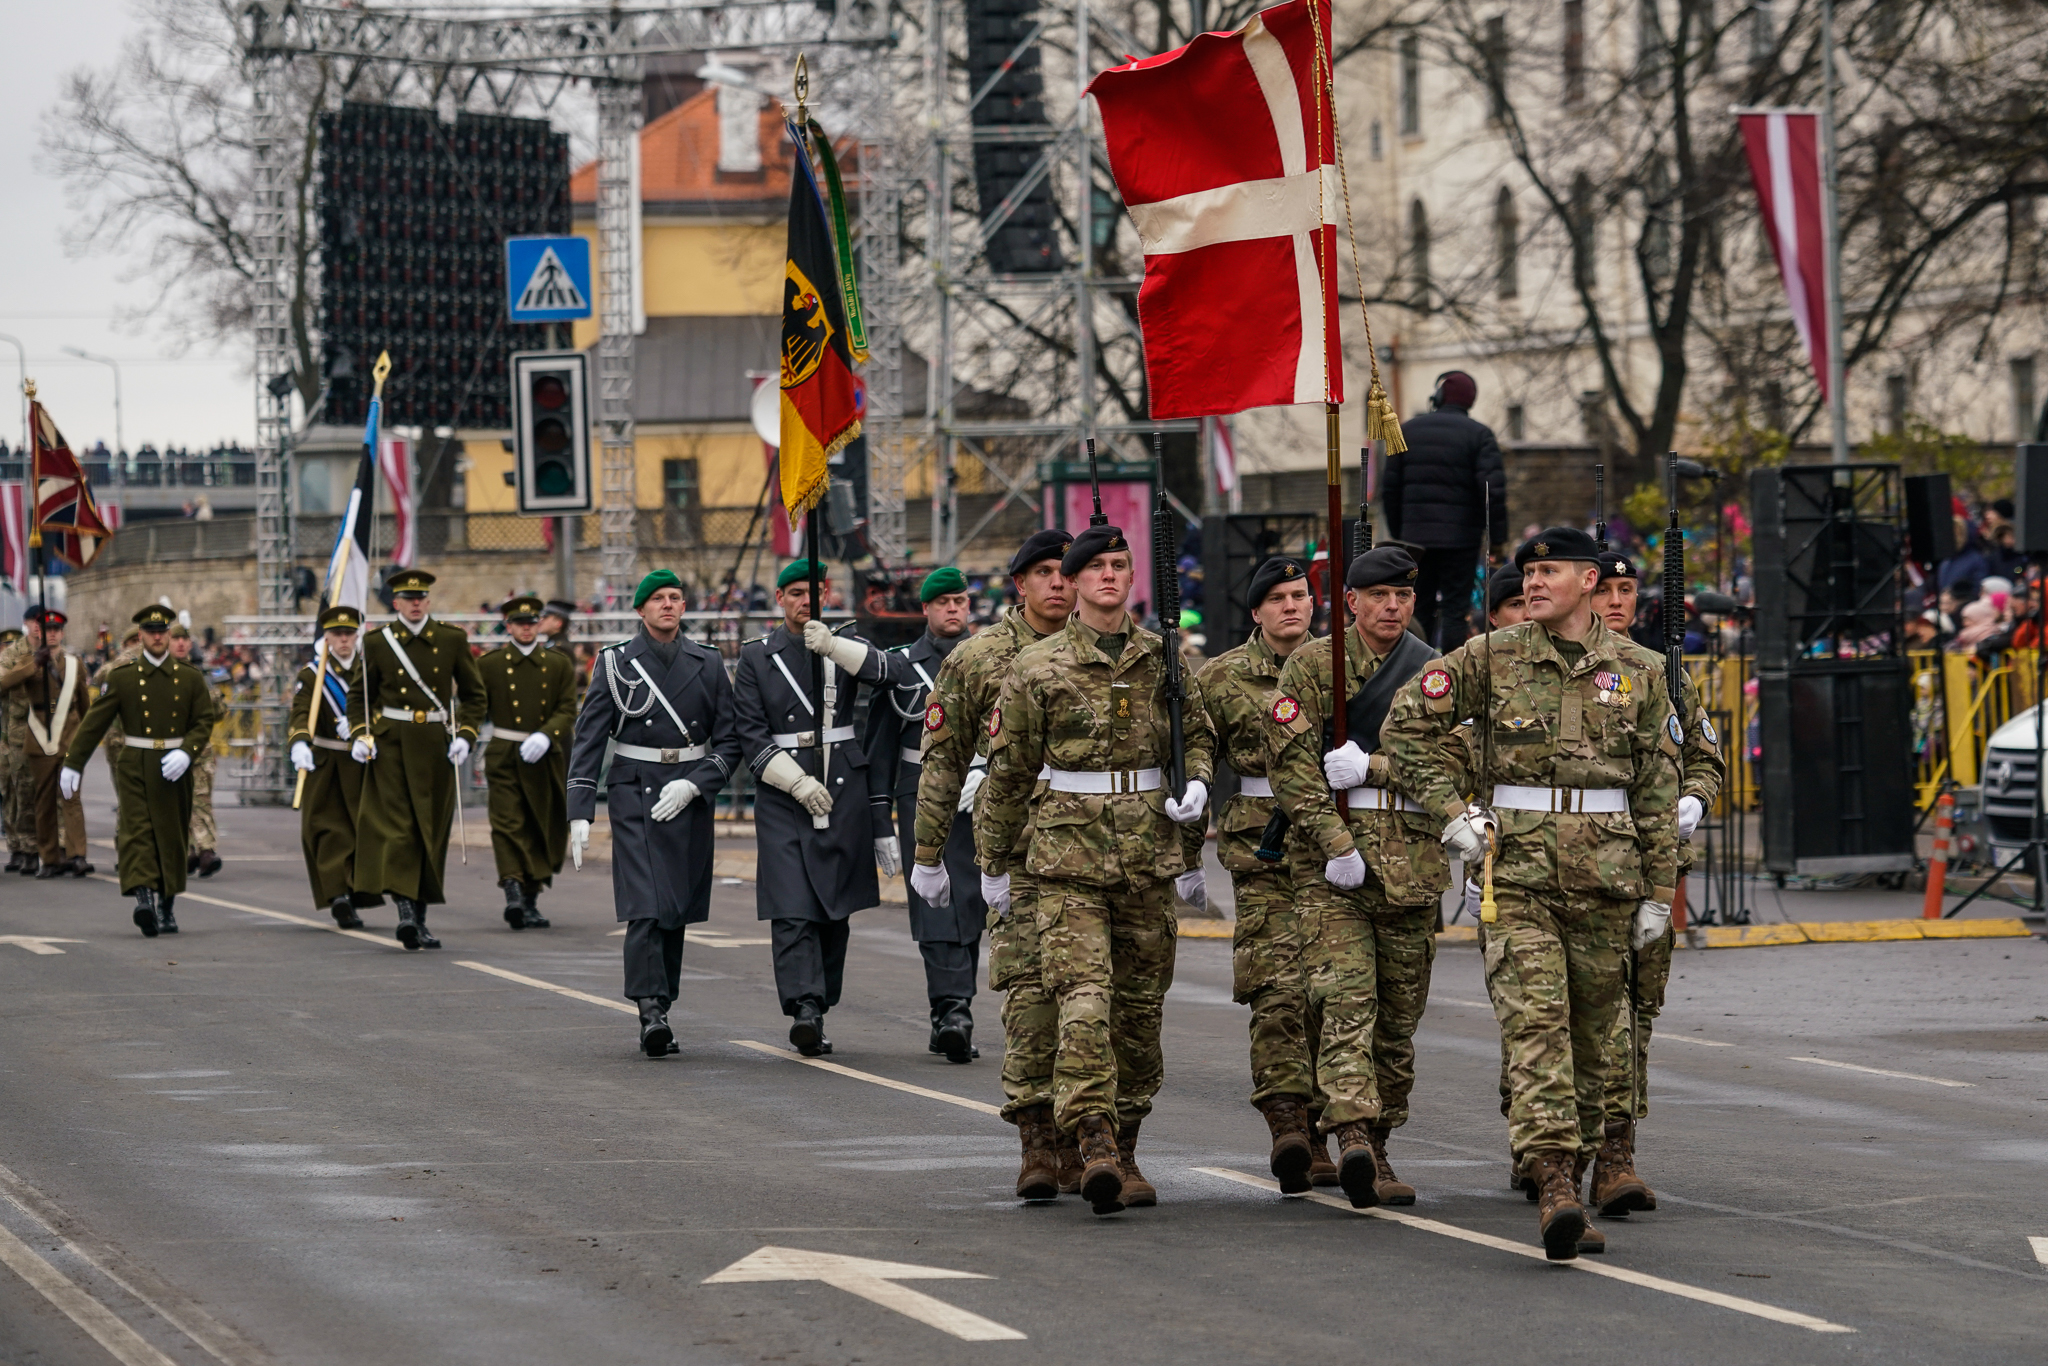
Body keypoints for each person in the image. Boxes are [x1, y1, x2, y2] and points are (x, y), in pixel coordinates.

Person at [1383, 526, 1679, 1261]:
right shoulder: (1490, 656)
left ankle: (1572, 1166)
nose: (1535, 582)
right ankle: (1553, 1184)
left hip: (1607, 881)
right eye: (1529, 572)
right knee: (1537, 1026)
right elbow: (1406, 728)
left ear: (1588, 580)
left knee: (1593, 1043)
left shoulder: (1641, 670)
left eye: (1550, 571)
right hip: (1516, 878)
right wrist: (1455, 815)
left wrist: (1659, 889)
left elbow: (1657, 783)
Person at [977, 524, 1217, 1215]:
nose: (1109, 575)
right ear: (1074, 582)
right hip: (1065, 864)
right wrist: (994, 860)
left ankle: (1129, 1144)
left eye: (1120, 564)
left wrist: (1197, 783)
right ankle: (1094, 1139)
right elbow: (1010, 770)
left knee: (1139, 1017)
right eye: (1096, 567)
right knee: (1083, 1004)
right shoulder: (1038, 666)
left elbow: (1195, 737)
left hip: (1147, 859)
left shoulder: (1164, 659)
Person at [1265, 546, 1449, 1209]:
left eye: (1403, 596)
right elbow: (1289, 767)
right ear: (1350, 601)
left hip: (1412, 866)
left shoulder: (1433, 672)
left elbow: (1455, 762)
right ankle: (1352, 1141)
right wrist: (1336, 841)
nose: (1392, 607)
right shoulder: (1315, 667)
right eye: (1378, 596)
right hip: (1332, 871)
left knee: (1397, 1025)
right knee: (1346, 1007)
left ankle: (1381, 1135)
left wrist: (1375, 768)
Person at [910, 529, 1080, 1201]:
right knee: (1032, 1003)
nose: (1059, 583)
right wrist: (927, 853)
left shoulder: (1117, 650)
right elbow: (943, 760)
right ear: (1020, 584)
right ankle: (1038, 1141)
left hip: (1100, 855)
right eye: (1044, 572)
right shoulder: (977, 659)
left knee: (1098, 1008)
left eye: (1068, 571)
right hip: (1016, 855)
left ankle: (1091, 1138)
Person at [1191, 555, 1342, 1190]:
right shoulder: (1224, 677)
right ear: (1256, 611)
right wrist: (1195, 795)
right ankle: (1288, 1122)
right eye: (1278, 597)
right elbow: (1198, 744)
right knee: (1276, 988)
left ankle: (1325, 1124)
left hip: (1335, 846)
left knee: (1331, 994)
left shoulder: (1342, 665)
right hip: (1264, 848)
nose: (1292, 606)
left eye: (1300, 595)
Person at [1584, 552, 1724, 1219]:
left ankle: (1617, 1158)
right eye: (1605, 588)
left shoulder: (1664, 672)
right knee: (1581, 1016)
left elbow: (1704, 753)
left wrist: (1696, 796)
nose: (1617, 600)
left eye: (1627, 589)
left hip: (1653, 865)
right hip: (1582, 865)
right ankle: (1555, 1147)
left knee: (1635, 1016)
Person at [567, 570, 741, 1058]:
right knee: (645, 902)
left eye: (675, 598)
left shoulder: (706, 663)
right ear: (640, 610)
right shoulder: (616, 662)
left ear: (684, 607)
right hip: (634, 792)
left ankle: (662, 999)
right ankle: (650, 1010)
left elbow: (729, 741)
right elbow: (590, 737)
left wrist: (696, 783)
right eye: (658, 599)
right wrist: (580, 809)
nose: (668, 605)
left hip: (687, 791)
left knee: (675, 908)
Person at [733, 558, 892, 1056]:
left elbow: (891, 673)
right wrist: (796, 781)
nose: (806, 601)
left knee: (833, 907)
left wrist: (836, 646)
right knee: (792, 906)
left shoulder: (842, 641)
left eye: (815, 592)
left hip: (842, 785)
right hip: (784, 792)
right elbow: (750, 734)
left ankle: (821, 1001)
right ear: (780, 599)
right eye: (796, 593)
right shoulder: (757, 656)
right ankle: (804, 1006)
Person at [865, 566, 985, 1063]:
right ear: (927, 610)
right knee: (936, 904)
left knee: (974, 903)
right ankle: (952, 1010)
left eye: (960, 601)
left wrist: (990, 770)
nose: (954, 609)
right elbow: (880, 750)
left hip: (981, 795)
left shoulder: (992, 658)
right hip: (921, 792)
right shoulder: (902, 665)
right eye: (944, 603)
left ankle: (954, 1009)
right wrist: (880, 822)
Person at [345, 568, 487, 950]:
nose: (415, 603)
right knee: (400, 829)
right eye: (408, 598)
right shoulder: (376, 643)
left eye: (421, 597)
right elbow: (359, 696)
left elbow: (475, 696)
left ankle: (420, 918)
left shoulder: (451, 639)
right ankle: (405, 912)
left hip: (436, 748)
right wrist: (360, 733)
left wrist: (467, 736)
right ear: (395, 602)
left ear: (428, 600)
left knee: (431, 831)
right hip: (391, 745)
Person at [60, 605, 216, 935]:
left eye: (162, 632)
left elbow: (204, 720)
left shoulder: (189, 678)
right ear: (141, 636)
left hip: (175, 765)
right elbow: (94, 722)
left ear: (169, 635)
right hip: (135, 763)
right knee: (137, 832)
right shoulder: (123, 677)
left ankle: (168, 905)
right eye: (151, 631)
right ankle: (144, 898)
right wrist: (74, 762)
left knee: (172, 836)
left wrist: (187, 752)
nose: (157, 637)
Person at [1383, 370, 1506, 650]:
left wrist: (1400, 534)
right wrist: (1497, 539)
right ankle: (1450, 678)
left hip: (1414, 541)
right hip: (1460, 541)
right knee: (1454, 610)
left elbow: (1389, 491)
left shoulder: (1406, 430)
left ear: (1438, 396)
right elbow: (1493, 493)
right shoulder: (1480, 435)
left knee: (1416, 607)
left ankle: (1414, 674)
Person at [477, 594, 579, 930]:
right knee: (507, 824)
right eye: (519, 623)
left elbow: (567, 708)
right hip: (505, 751)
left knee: (542, 825)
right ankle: (513, 889)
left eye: (531, 622)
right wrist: (461, 735)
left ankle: (532, 896)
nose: (526, 628)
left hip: (544, 754)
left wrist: (547, 734)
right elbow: (475, 705)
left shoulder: (557, 663)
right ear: (507, 626)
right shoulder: (490, 665)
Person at [287, 604, 379, 928]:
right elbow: (300, 712)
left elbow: (380, 708)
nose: (343, 640)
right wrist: (299, 742)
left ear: (357, 635)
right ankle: (338, 895)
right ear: (325, 638)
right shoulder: (312, 674)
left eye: (349, 634)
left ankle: (355, 890)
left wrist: (366, 732)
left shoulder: (369, 671)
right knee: (328, 830)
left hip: (362, 761)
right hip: (326, 762)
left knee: (361, 830)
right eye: (336, 634)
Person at [1, 607, 93, 879]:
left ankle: (77, 856)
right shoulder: (29, 661)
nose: (51, 634)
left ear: (62, 633)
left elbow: (84, 704)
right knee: (42, 801)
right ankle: (50, 858)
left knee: (71, 798)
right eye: (47, 629)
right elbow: (4, 683)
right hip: (39, 738)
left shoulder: (75, 663)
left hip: (69, 737)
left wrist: (87, 737)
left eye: (56, 630)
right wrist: (35, 664)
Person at [167, 624, 224, 878]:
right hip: (168, 747)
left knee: (200, 800)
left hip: (199, 748)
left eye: (184, 639)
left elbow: (220, 711)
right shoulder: (159, 673)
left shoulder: (200, 674)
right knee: (177, 803)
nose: (180, 643)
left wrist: (206, 694)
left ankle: (206, 851)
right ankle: (188, 850)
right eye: (175, 639)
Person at [0, 626, 30, 872]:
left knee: (20, 792)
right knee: (9, 795)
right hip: (3, 741)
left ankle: (25, 846)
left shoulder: (19, 672)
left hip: (16, 741)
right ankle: (15, 845)